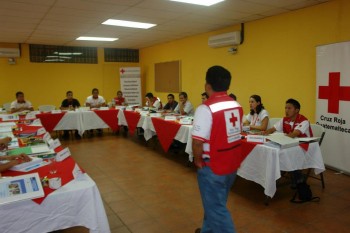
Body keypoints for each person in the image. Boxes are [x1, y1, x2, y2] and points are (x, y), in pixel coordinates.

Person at [192, 65, 243, 233]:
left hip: (213, 166)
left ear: (207, 86)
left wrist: (198, 161)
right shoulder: (236, 105)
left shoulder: (205, 108)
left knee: (217, 210)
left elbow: (198, 142)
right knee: (214, 204)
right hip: (231, 165)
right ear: (228, 85)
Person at [263, 98, 313, 187]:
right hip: (289, 144)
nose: (286, 110)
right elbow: (272, 129)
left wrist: (278, 138)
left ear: (297, 110)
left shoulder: (304, 121)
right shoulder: (285, 119)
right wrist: (264, 133)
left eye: (289, 108)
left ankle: (297, 177)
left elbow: (294, 134)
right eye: (285, 108)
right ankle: (277, 174)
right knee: (272, 150)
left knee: (283, 153)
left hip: (303, 146)